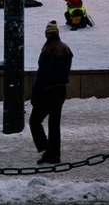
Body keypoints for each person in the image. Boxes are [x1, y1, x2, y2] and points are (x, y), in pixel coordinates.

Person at [29, 21, 73, 164]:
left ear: (47, 34)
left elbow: (42, 74)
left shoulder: (48, 50)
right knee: (54, 123)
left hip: (47, 91)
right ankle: (54, 154)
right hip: (61, 90)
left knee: (34, 121)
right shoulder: (66, 48)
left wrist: (36, 92)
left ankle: (47, 149)